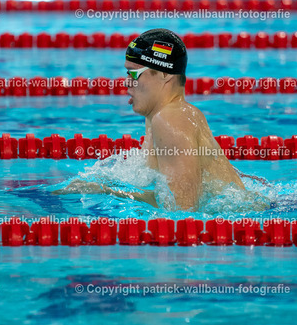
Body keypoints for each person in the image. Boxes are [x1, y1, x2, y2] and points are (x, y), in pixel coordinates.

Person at [56, 28, 244, 210]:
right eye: (127, 73)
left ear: (164, 74)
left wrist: (106, 192)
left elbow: (182, 208)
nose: (127, 82)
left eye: (134, 73)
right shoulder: (160, 116)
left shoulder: (170, 118)